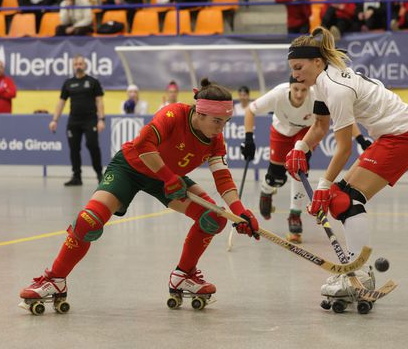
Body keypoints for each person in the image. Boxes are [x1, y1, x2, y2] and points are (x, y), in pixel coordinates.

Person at [19, 79, 260, 310]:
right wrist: (168, 177)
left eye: (225, 122)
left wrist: (240, 212)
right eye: (217, 121)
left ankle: (183, 275)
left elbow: (223, 178)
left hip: (168, 178)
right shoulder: (174, 114)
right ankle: (53, 280)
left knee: (213, 218)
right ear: (199, 113)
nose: (221, 129)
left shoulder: (215, 140)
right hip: (131, 168)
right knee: (88, 222)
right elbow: (144, 146)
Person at [285, 27, 408, 298]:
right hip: (391, 135)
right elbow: (319, 126)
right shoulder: (321, 83)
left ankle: (358, 275)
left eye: (299, 67)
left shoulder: (336, 88)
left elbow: (344, 147)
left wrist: (323, 185)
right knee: (340, 199)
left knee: (346, 200)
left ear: (317, 62)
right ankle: (356, 271)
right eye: (292, 68)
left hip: (402, 136)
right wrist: (299, 147)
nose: (295, 74)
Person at [241, 76, 371, 244]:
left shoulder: (316, 96)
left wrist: (360, 139)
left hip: (306, 133)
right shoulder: (277, 94)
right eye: (296, 89)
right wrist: (249, 138)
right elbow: (250, 111)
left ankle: (295, 215)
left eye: (303, 90)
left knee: (299, 170)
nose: (299, 94)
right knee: (277, 178)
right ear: (289, 88)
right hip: (282, 131)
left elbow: (342, 117)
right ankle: (267, 190)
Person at [49, 54, 105, 186]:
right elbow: (61, 102)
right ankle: (77, 176)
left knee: (92, 145)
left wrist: (101, 119)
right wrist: (54, 120)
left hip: (90, 120)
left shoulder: (93, 82)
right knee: (74, 148)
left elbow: (99, 101)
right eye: (76, 64)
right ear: (73, 66)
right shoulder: (68, 83)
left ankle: (99, 174)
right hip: (74, 121)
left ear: (84, 65)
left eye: (80, 64)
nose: (78, 66)